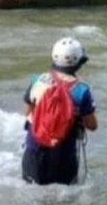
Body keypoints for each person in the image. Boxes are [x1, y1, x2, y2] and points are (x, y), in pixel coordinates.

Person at [22, 37, 98, 185]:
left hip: (34, 151)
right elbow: (92, 125)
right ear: (78, 63)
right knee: (62, 204)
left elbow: (27, 113)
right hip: (63, 156)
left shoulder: (37, 80)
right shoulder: (82, 90)